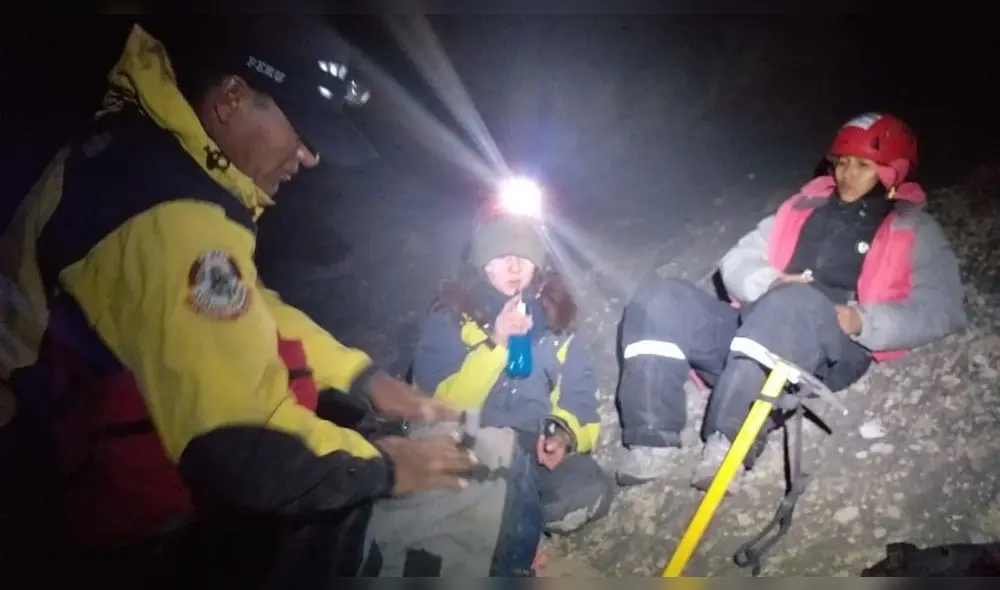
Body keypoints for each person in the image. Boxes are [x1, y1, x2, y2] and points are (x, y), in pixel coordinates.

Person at [0, 18, 477, 587]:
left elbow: (244, 302)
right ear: (231, 98)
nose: (310, 157)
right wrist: (390, 466)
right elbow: (246, 446)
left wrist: (361, 377)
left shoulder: (145, 159)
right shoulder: (171, 215)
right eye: (302, 129)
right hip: (47, 524)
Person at [614, 112, 967, 490]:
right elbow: (738, 259)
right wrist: (768, 281)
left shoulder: (913, 229)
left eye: (863, 166)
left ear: (893, 172)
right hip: (757, 329)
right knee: (660, 298)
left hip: (827, 350)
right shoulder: (802, 207)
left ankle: (728, 442)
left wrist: (863, 321)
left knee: (795, 301)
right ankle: (650, 437)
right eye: (842, 163)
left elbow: (943, 309)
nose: (847, 174)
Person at [367, 195, 613, 575]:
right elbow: (433, 407)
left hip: (528, 450)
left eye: (524, 256)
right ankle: (494, 532)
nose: (514, 266)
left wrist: (562, 432)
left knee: (586, 488)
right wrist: (496, 344)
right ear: (482, 262)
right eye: (501, 255)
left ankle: (507, 521)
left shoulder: (555, 320)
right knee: (478, 500)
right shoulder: (450, 319)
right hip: (465, 443)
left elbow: (579, 392)